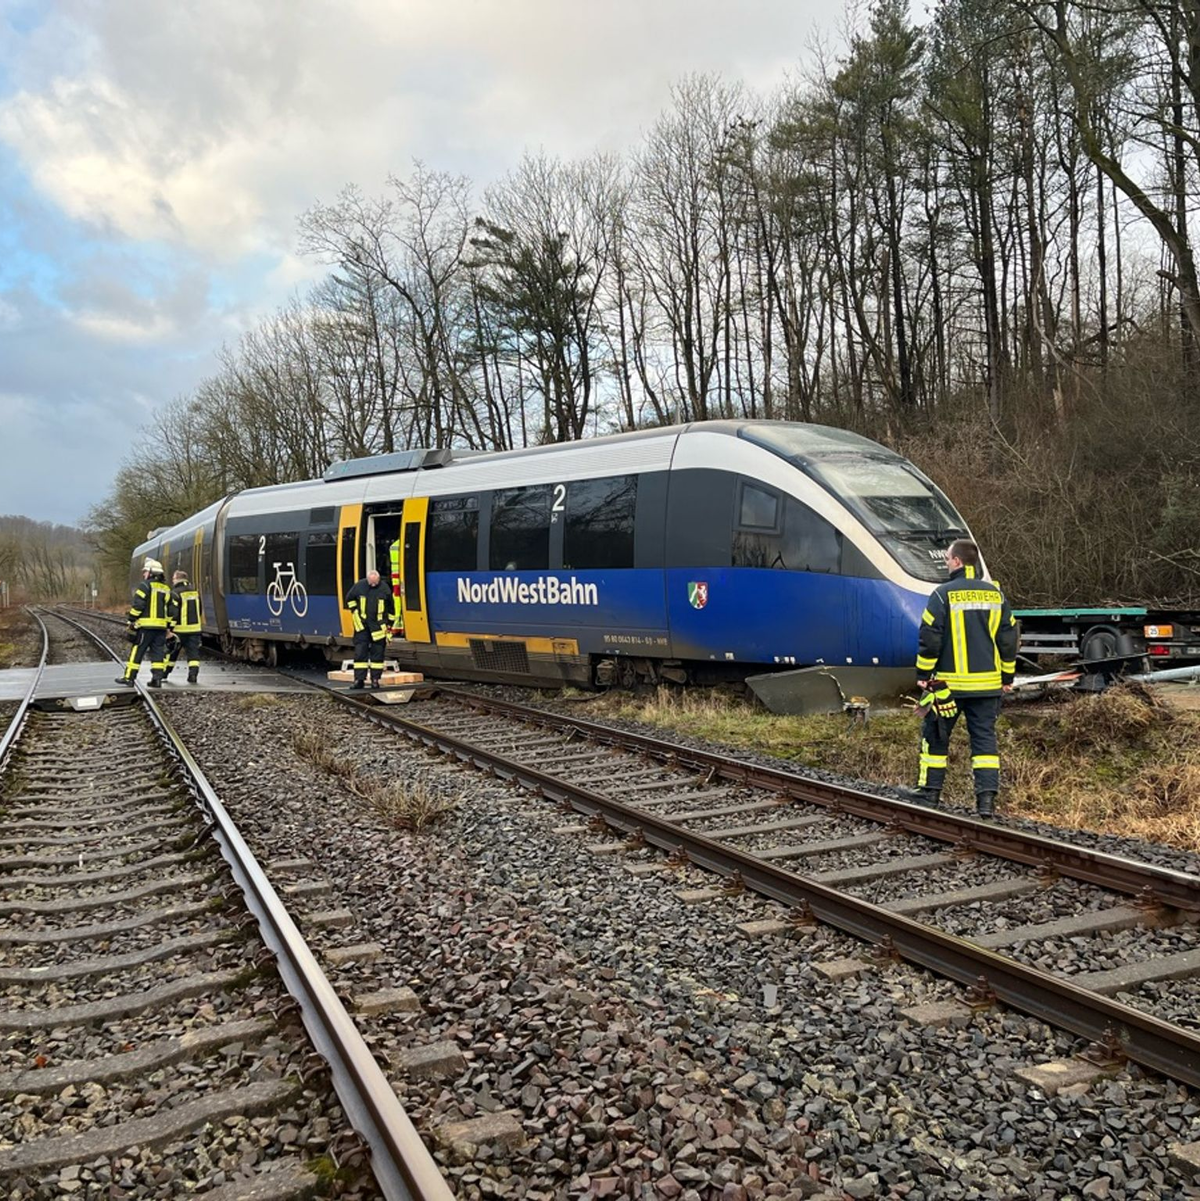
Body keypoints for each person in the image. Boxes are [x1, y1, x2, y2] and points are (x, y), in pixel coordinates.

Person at [909, 538, 1018, 820]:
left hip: (948, 687)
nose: (946, 563)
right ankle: (986, 804)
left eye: (947, 559)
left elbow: (929, 638)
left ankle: (930, 794)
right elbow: (1008, 639)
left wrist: (923, 674)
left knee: (934, 738)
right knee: (984, 743)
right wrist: (1007, 675)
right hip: (987, 687)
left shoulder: (942, 595)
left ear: (957, 561)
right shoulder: (996, 595)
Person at [116, 557, 172, 688]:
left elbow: (138, 605)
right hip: (161, 628)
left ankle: (129, 677)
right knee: (158, 653)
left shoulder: (144, 586)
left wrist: (131, 619)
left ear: (151, 572)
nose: (143, 574)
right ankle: (157, 679)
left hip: (145, 627)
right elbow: (169, 610)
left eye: (145, 571)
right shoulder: (166, 588)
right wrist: (168, 627)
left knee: (137, 651)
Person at [345, 567, 392, 689]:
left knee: (378, 655)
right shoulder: (359, 586)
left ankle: (375, 680)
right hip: (362, 626)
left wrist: (389, 624)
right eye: (371, 582)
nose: (373, 585)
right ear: (367, 580)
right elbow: (349, 599)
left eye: (375, 583)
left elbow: (391, 608)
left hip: (378, 627)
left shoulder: (385, 589)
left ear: (379, 579)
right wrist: (355, 610)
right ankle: (359, 680)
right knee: (360, 654)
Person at [165, 568, 203, 684]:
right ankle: (193, 675)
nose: (172, 581)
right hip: (195, 629)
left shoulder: (175, 593)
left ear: (176, 579)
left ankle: (164, 673)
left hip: (179, 630)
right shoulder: (195, 592)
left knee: (172, 653)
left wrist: (169, 629)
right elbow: (199, 610)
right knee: (193, 654)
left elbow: (173, 613)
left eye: (173, 579)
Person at [388, 535, 405, 637]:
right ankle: (401, 626)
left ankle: (397, 627)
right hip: (402, 577)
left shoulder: (393, 546)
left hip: (395, 579)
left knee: (397, 601)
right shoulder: (403, 544)